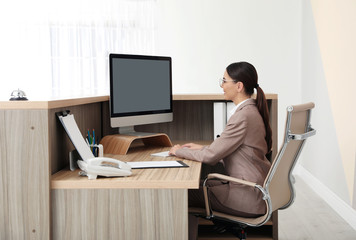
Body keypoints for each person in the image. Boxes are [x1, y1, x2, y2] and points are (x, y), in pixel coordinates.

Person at [169, 61, 272, 240]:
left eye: (224, 81)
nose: (222, 85)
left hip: (246, 195)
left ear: (239, 86)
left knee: (180, 194)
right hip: (254, 191)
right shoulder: (251, 111)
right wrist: (203, 148)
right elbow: (232, 151)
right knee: (196, 185)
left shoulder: (243, 116)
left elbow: (210, 157)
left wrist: (178, 151)